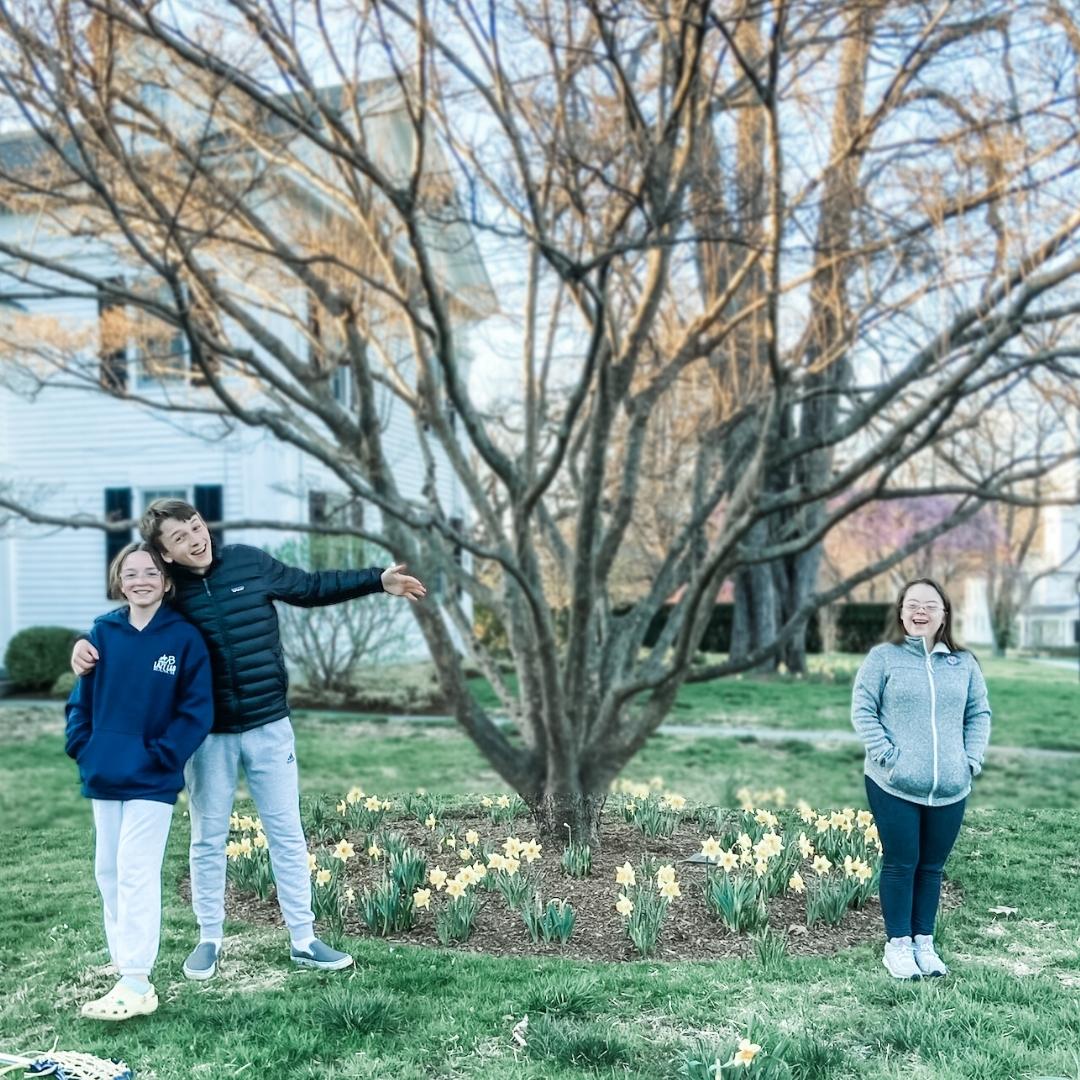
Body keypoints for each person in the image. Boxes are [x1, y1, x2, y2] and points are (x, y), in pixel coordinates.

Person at [71, 499, 426, 980]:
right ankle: (209, 939)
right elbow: (131, 617)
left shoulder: (249, 562)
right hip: (209, 738)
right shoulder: (171, 598)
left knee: (286, 832)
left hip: (268, 725)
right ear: (166, 556)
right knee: (208, 837)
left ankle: (304, 938)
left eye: (196, 527)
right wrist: (83, 645)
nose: (196, 539)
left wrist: (376, 580)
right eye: (179, 538)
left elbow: (310, 586)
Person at [65, 541, 213, 1020]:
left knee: (136, 870)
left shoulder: (184, 639)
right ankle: (124, 965)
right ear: (119, 581)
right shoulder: (103, 634)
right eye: (130, 574)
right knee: (107, 870)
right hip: (105, 770)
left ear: (166, 581)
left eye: (150, 572)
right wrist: (82, 746)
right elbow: (80, 701)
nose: (140, 580)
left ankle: (137, 980)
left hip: (152, 777)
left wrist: (161, 756)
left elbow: (196, 712)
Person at [851, 577, 991, 980]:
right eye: (912, 604)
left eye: (930, 605)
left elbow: (978, 714)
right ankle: (897, 946)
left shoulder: (963, 663)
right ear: (900, 612)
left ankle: (923, 944)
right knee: (901, 862)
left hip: (950, 785)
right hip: (892, 782)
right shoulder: (883, 657)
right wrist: (887, 757)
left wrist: (969, 761)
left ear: (944, 613)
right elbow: (864, 709)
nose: (920, 611)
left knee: (931, 866)